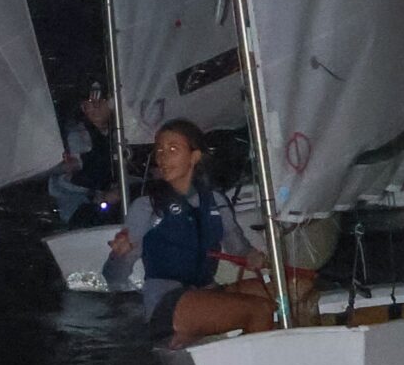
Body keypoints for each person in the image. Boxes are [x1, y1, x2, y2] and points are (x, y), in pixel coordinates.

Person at [106, 117, 274, 344]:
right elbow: (113, 276)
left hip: (207, 291)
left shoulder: (216, 201)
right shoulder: (147, 207)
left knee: (298, 289)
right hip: (168, 302)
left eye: (172, 149)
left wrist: (251, 255)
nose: (162, 157)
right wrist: (119, 255)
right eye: (159, 150)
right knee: (259, 309)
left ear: (194, 157)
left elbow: (239, 248)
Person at [48, 85, 120, 226]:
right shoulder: (75, 135)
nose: (95, 107)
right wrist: (100, 196)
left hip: (113, 204)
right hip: (78, 208)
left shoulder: (119, 136)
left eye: (101, 101)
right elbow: (64, 177)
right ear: (83, 107)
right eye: (90, 102)